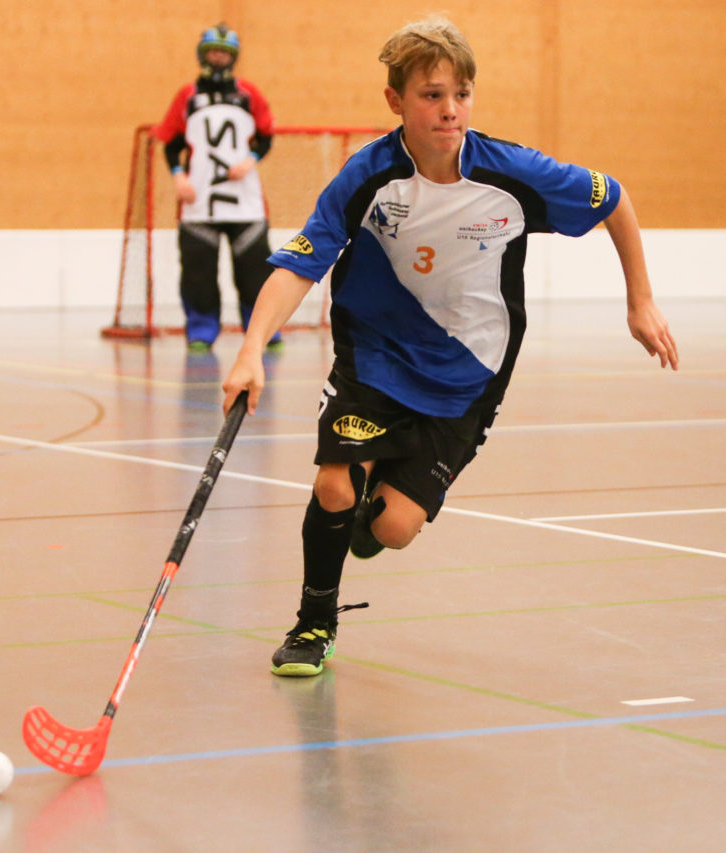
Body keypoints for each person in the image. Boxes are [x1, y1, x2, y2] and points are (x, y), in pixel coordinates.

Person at [221, 16, 678, 677]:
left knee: (392, 529)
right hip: (373, 355)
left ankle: (371, 496)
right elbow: (301, 263)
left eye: (460, 93)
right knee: (333, 486)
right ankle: (313, 622)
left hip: (470, 372)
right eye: (432, 95)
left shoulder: (513, 173)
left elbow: (614, 199)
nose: (449, 109)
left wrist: (640, 298)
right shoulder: (367, 176)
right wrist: (252, 347)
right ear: (396, 102)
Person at [151, 23, 282, 352]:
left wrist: (250, 160)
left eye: (224, 52)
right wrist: (179, 177)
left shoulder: (248, 94)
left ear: (233, 57)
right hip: (199, 202)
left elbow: (266, 137)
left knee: (255, 271)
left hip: (245, 202)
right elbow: (170, 144)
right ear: (203, 55)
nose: (219, 57)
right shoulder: (187, 96)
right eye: (213, 52)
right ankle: (201, 329)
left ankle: (263, 329)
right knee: (198, 274)